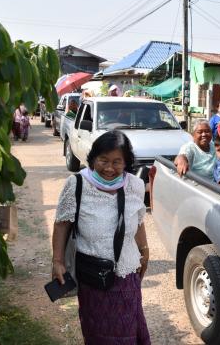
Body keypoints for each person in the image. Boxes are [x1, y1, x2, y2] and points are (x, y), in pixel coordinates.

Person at [52, 131, 151, 344]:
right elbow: (61, 224)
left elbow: (138, 219)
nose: (109, 168)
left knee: (129, 331)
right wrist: (57, 261)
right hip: (93, 278)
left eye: (117, 162)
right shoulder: (77, 184)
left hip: (127, 278)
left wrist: (144, 250)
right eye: (103, 160)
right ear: (93, 158)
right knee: (98, 333)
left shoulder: (134, 185)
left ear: (126, 162)